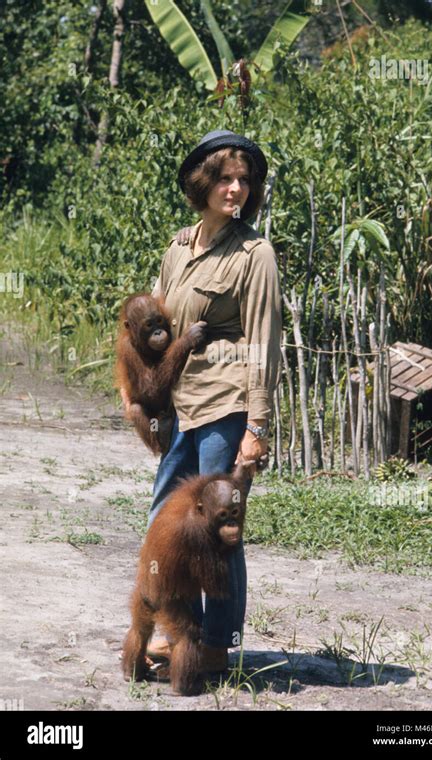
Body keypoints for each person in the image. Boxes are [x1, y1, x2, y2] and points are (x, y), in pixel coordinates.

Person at [121, 129, 282, 676]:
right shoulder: (177, 246)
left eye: (244, 181)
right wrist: (139, 396)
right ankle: (175, 630)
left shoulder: (254, 254)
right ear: (203, 181)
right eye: (225, 178)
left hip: (226, 407)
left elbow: (263, 340)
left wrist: (256, 423)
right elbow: (152, 332)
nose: (235, 189)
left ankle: (216, 643)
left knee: (219, 531)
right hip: (180, 409)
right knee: (164, 524)